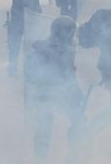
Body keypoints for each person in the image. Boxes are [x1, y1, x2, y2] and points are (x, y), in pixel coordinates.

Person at [26, 16, 86, 163]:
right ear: (64, 32)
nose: (73, 35)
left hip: (47, 94)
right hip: (56, 93)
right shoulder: (62, 50)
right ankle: (71, 157)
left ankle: (43, 159)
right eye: (71, 32)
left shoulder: (42, 47)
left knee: (46, 128)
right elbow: (68, 75)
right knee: (77, 122)